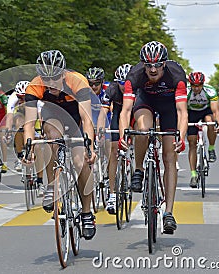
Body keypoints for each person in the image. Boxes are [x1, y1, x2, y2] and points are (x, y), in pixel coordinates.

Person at [24, 49, 97, 240]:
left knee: (80, 162)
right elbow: (29, 124)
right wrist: (28, 148)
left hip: (75, 116)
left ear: (63, 73)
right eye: (46, 79)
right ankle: (51, 187)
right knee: (50, 137)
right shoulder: (35, 86)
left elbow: (87, 119)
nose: (51, 83)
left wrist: (90, 145)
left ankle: (87, 214)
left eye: (55, 77)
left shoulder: (77, 81)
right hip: (52, 114)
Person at [119, 41, 188, 234]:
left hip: (169, 107)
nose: (152, 69)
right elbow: (125, 112)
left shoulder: (177, 76)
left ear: (164, 64)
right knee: (142, 128)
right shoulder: (134, 75)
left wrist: (180, 138)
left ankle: (169, 213)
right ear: (142, 65)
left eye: (157, 64)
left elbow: (182, 113)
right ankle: (139, 170)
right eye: (148, 65)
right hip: (146, 101)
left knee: (169, 155)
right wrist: (124, 133)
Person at [98, 63, 132, 214]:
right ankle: (112, 194)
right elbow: (103, 111)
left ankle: (137, 168)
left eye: (127, 83)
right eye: (121, 83)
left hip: (135, 113)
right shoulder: (112, 89)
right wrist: (100, 129)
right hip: (118, 114)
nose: (124, 86)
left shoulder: (137, 88)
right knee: (113, 152)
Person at [187, 72, 219, 187]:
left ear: (203, 84)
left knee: (210, 122)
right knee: (192, 142)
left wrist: (218, 125)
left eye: (199, 85)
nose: (196, 88)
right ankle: (193, 175)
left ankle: (211, 148)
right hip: (191, 113)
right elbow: (180, 110)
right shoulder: (186, 92)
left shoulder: (210, 91)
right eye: (193, 85)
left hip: (206, 111)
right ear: (190, 84)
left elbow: (215, 111)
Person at [5, 81, 29, 171]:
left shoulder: (34, 95)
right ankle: (20, 156)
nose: (22, 99)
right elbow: (9, 115)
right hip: (21, 113)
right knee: (18, 123)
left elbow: (40, 113)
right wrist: (8, 130)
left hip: (33, 113)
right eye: (20, 97)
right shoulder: (13, 98)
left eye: (24, 97)